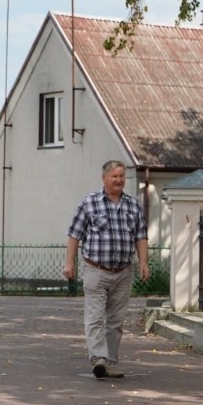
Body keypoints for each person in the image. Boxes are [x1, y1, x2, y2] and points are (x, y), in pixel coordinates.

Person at [63, 160, 150, 379]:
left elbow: (141, 236)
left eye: (121, 176)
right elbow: (74, 234)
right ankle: (98, 359)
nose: (119, 180)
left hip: (123, 271)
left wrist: (143, 262)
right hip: (96, 270)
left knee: (116, 321)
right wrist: (69, 263)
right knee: (95, 318)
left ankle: (111, 362)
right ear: (104, 178)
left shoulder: (133, 205)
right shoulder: (90, 203)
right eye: (114, 176)